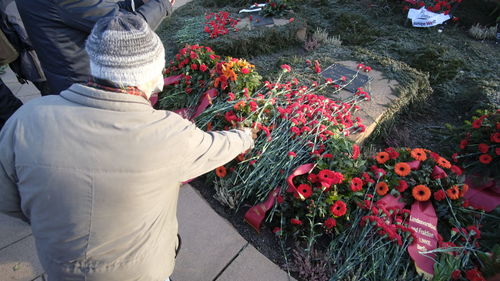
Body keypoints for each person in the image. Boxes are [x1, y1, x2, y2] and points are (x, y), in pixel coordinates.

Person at [0, 13, 254, 281]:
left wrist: (56, 221)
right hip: (142, 273)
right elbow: (216, 147)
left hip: (60, 270)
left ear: (94, 64)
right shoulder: (168, 133)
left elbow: (8, 200)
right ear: (152, 75)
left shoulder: (26, 120)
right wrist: (246, 136)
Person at [16, 0, 175, 94]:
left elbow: (103, 11)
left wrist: (140, 2)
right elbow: (125, 29)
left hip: (65, 77)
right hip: (85, 85)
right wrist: (162, 4)